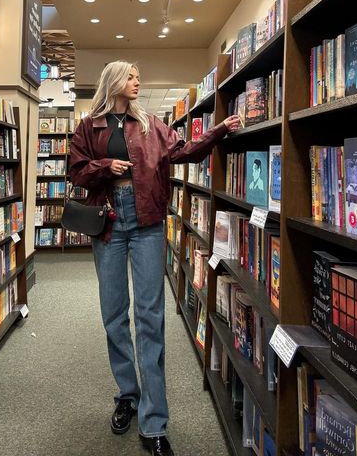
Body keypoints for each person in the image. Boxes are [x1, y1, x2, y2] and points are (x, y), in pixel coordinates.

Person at [69, 60, 240, 456]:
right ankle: (127, 395)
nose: (137, 82)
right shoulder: (88, 126)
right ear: (113, 81)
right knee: (114, 314)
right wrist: (103, 165)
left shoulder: (151, 124)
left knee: (151, 317)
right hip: (109, 222)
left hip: (146, 220)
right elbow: (75, 171)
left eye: (138, 77)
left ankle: (154, 422)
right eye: (130, 77)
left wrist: (216, 132)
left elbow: (183, 152)